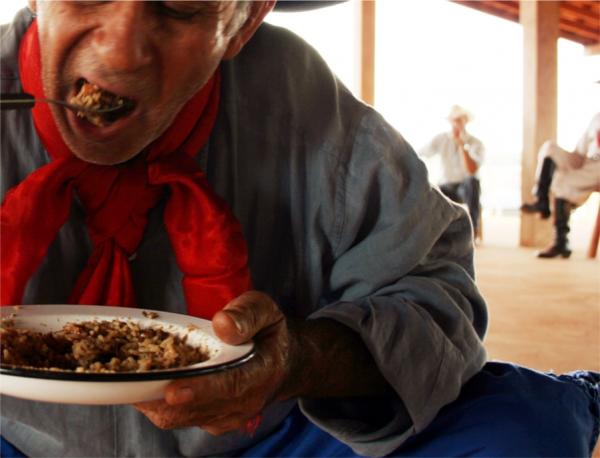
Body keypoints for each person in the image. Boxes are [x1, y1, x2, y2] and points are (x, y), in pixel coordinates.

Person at [0, 2, 598, 457]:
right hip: (18, 440)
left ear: (243, 20)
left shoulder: (301, 99)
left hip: (268, 443)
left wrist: (297, 361)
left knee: (524, 425)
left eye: (181, 4)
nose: (119, 54)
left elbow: (436, 297)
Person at [521, 112, 600, 258]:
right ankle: (541, 199)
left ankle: (561, 241)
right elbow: (580, 152)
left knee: (561, 182)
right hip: (588, 161)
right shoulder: (597, 118)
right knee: (550, 148)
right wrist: (566, 164)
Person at [419, 105, 485, 238]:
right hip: (446, 186)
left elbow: (471, 169)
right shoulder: (440, 139)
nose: (457, 123)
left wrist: (461, 145)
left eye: (460, 119)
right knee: (430, 192)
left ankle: (472, 231)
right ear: (450, 121)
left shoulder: (476, 143)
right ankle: (431, 235)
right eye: (454, 119)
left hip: (465, 188)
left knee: (473, 182)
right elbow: (421, 153)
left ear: (466, 121)